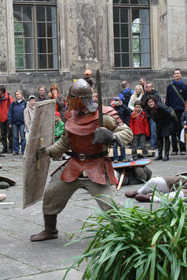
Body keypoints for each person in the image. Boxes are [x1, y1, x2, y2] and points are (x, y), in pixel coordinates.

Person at [30, 79, 133, 242]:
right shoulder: (71, 116)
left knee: (110, 205)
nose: (67, 100)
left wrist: (111, 136)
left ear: (78, 99)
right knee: (51, 193)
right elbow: (65, 142)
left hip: (97, 165)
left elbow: (127, 132)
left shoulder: (104, 115)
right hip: (75, 164)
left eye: (70, 97)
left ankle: (126, 235)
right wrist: (48, 152)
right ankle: (50, 230)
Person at [165, 68, 187, 155]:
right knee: (173, 131)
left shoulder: (185, 87)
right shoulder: (170, 87)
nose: (177, 75)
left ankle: (183, 149)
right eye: (175, 73)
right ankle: (174, 149)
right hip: (172, 112)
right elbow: (168, 100)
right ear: (173, 75)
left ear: (181, 74)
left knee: (181, 130)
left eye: (178, 73)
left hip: (181, 111)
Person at [146, 97, 178, 161]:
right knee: (159, 138)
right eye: (149, 102)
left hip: (167, 122)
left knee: (166, 137)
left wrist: (173, 124)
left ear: (155, 102)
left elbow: (170, 113)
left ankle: (166, 155)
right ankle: (160, 155)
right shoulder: (148, 109)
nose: (150, 103)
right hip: (159, 123)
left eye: (152, 102)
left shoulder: (161, 106)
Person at [142, 82, 162, 150]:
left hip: (155, 115)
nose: (148, 88)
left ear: (152, 87)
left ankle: (154, 144)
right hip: (147, 115)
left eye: (149, 87)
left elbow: (159, 104)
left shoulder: (156, 95)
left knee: (154, 131)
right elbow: (143, 106)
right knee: (150, 131)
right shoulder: (144, 96)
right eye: (147, 87)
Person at [111, 97, 131, 162]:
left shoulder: (123, 107)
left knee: (122, 143)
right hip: (115, 127)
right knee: (115, 144)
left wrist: (122, 105)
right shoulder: (112, 108)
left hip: (122, 126)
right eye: (116, 101)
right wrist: (112, 105)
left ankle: (123, 157)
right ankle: (115, 158)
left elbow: (129, 112)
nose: (117, 102)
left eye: (118, 100)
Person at [8, 90, 27, 155]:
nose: (18, 95)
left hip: (22, 122)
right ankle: (16, 150)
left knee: (23, 137)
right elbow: (10, 113)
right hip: (14, 123)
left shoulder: (25, 103)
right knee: (15, 137)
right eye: (16, 94)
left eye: (19, 94)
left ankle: (23, 150)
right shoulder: (13, 104)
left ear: (21, 95)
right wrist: (10, 122)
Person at [0, 86, 14, 154]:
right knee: (3, 134)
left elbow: (12, 108)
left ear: (2, 91)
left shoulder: (9, 98)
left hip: (8, 118)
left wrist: (11, 118)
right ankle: (5, 147)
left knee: (10, 134)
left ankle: (11, 148)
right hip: (1, 118)